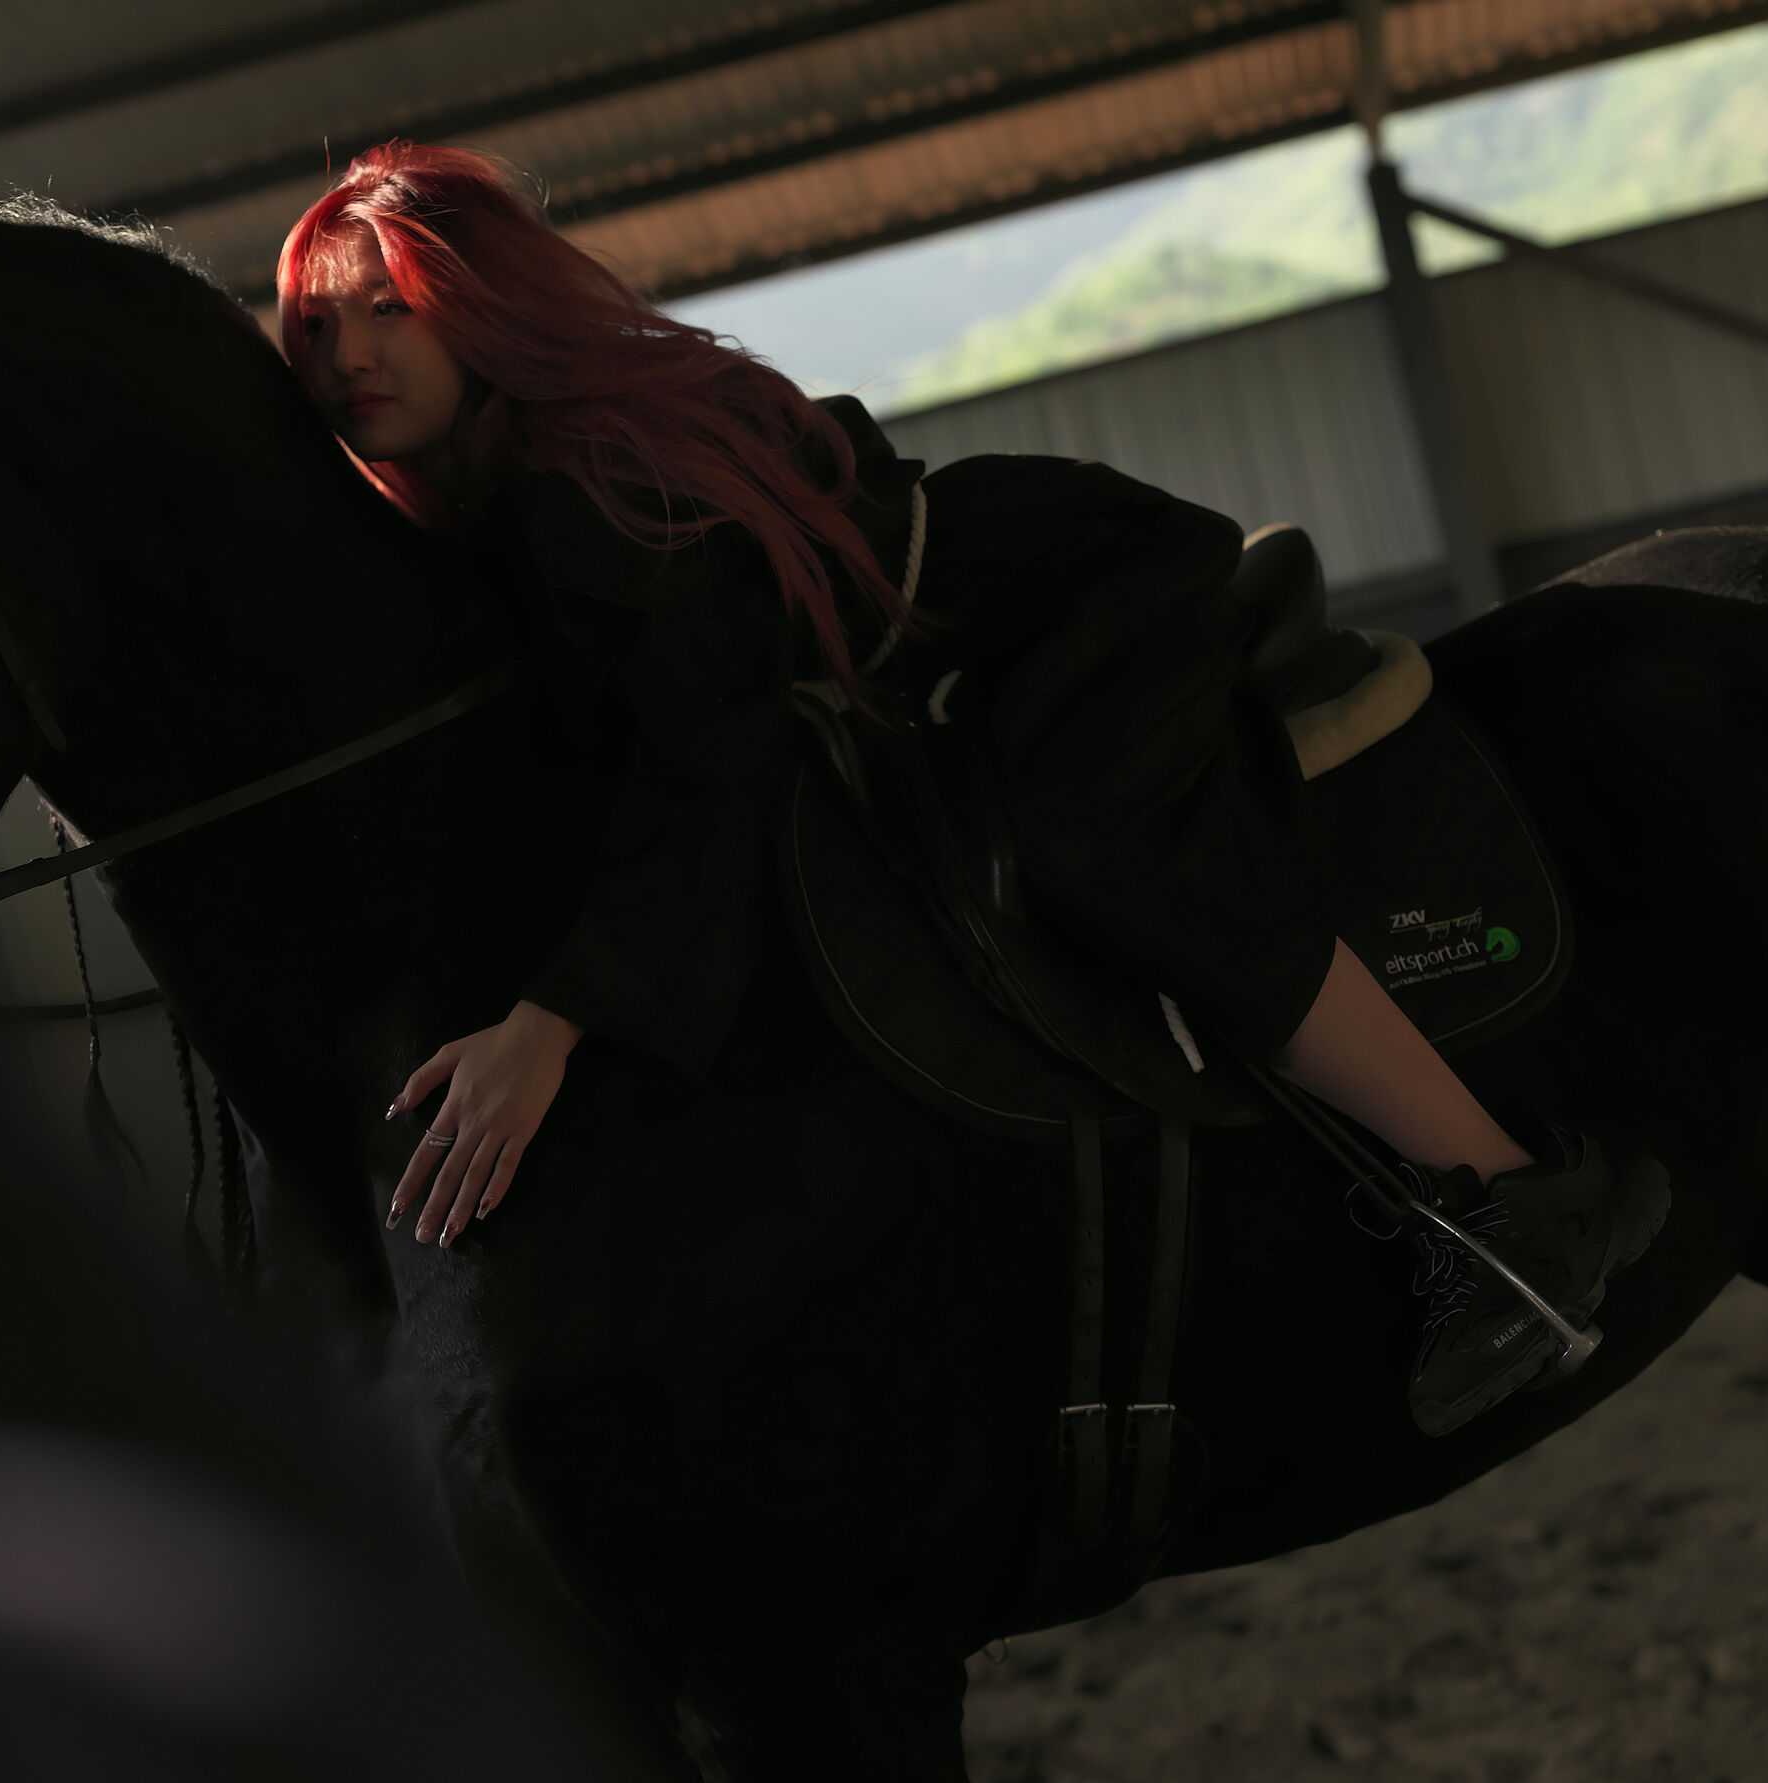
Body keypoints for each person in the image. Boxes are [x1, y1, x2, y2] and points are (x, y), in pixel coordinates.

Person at [276, 143, 1665, 1437]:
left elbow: (705, 757)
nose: (350, 358)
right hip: (951, 654)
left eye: (388, 310)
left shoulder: (592, 480)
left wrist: (555, 1020)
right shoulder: (499, 505)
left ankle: (1515, 1194)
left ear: (482, 306)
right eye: (318, 328)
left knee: (1106, 842)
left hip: (1053, 606)